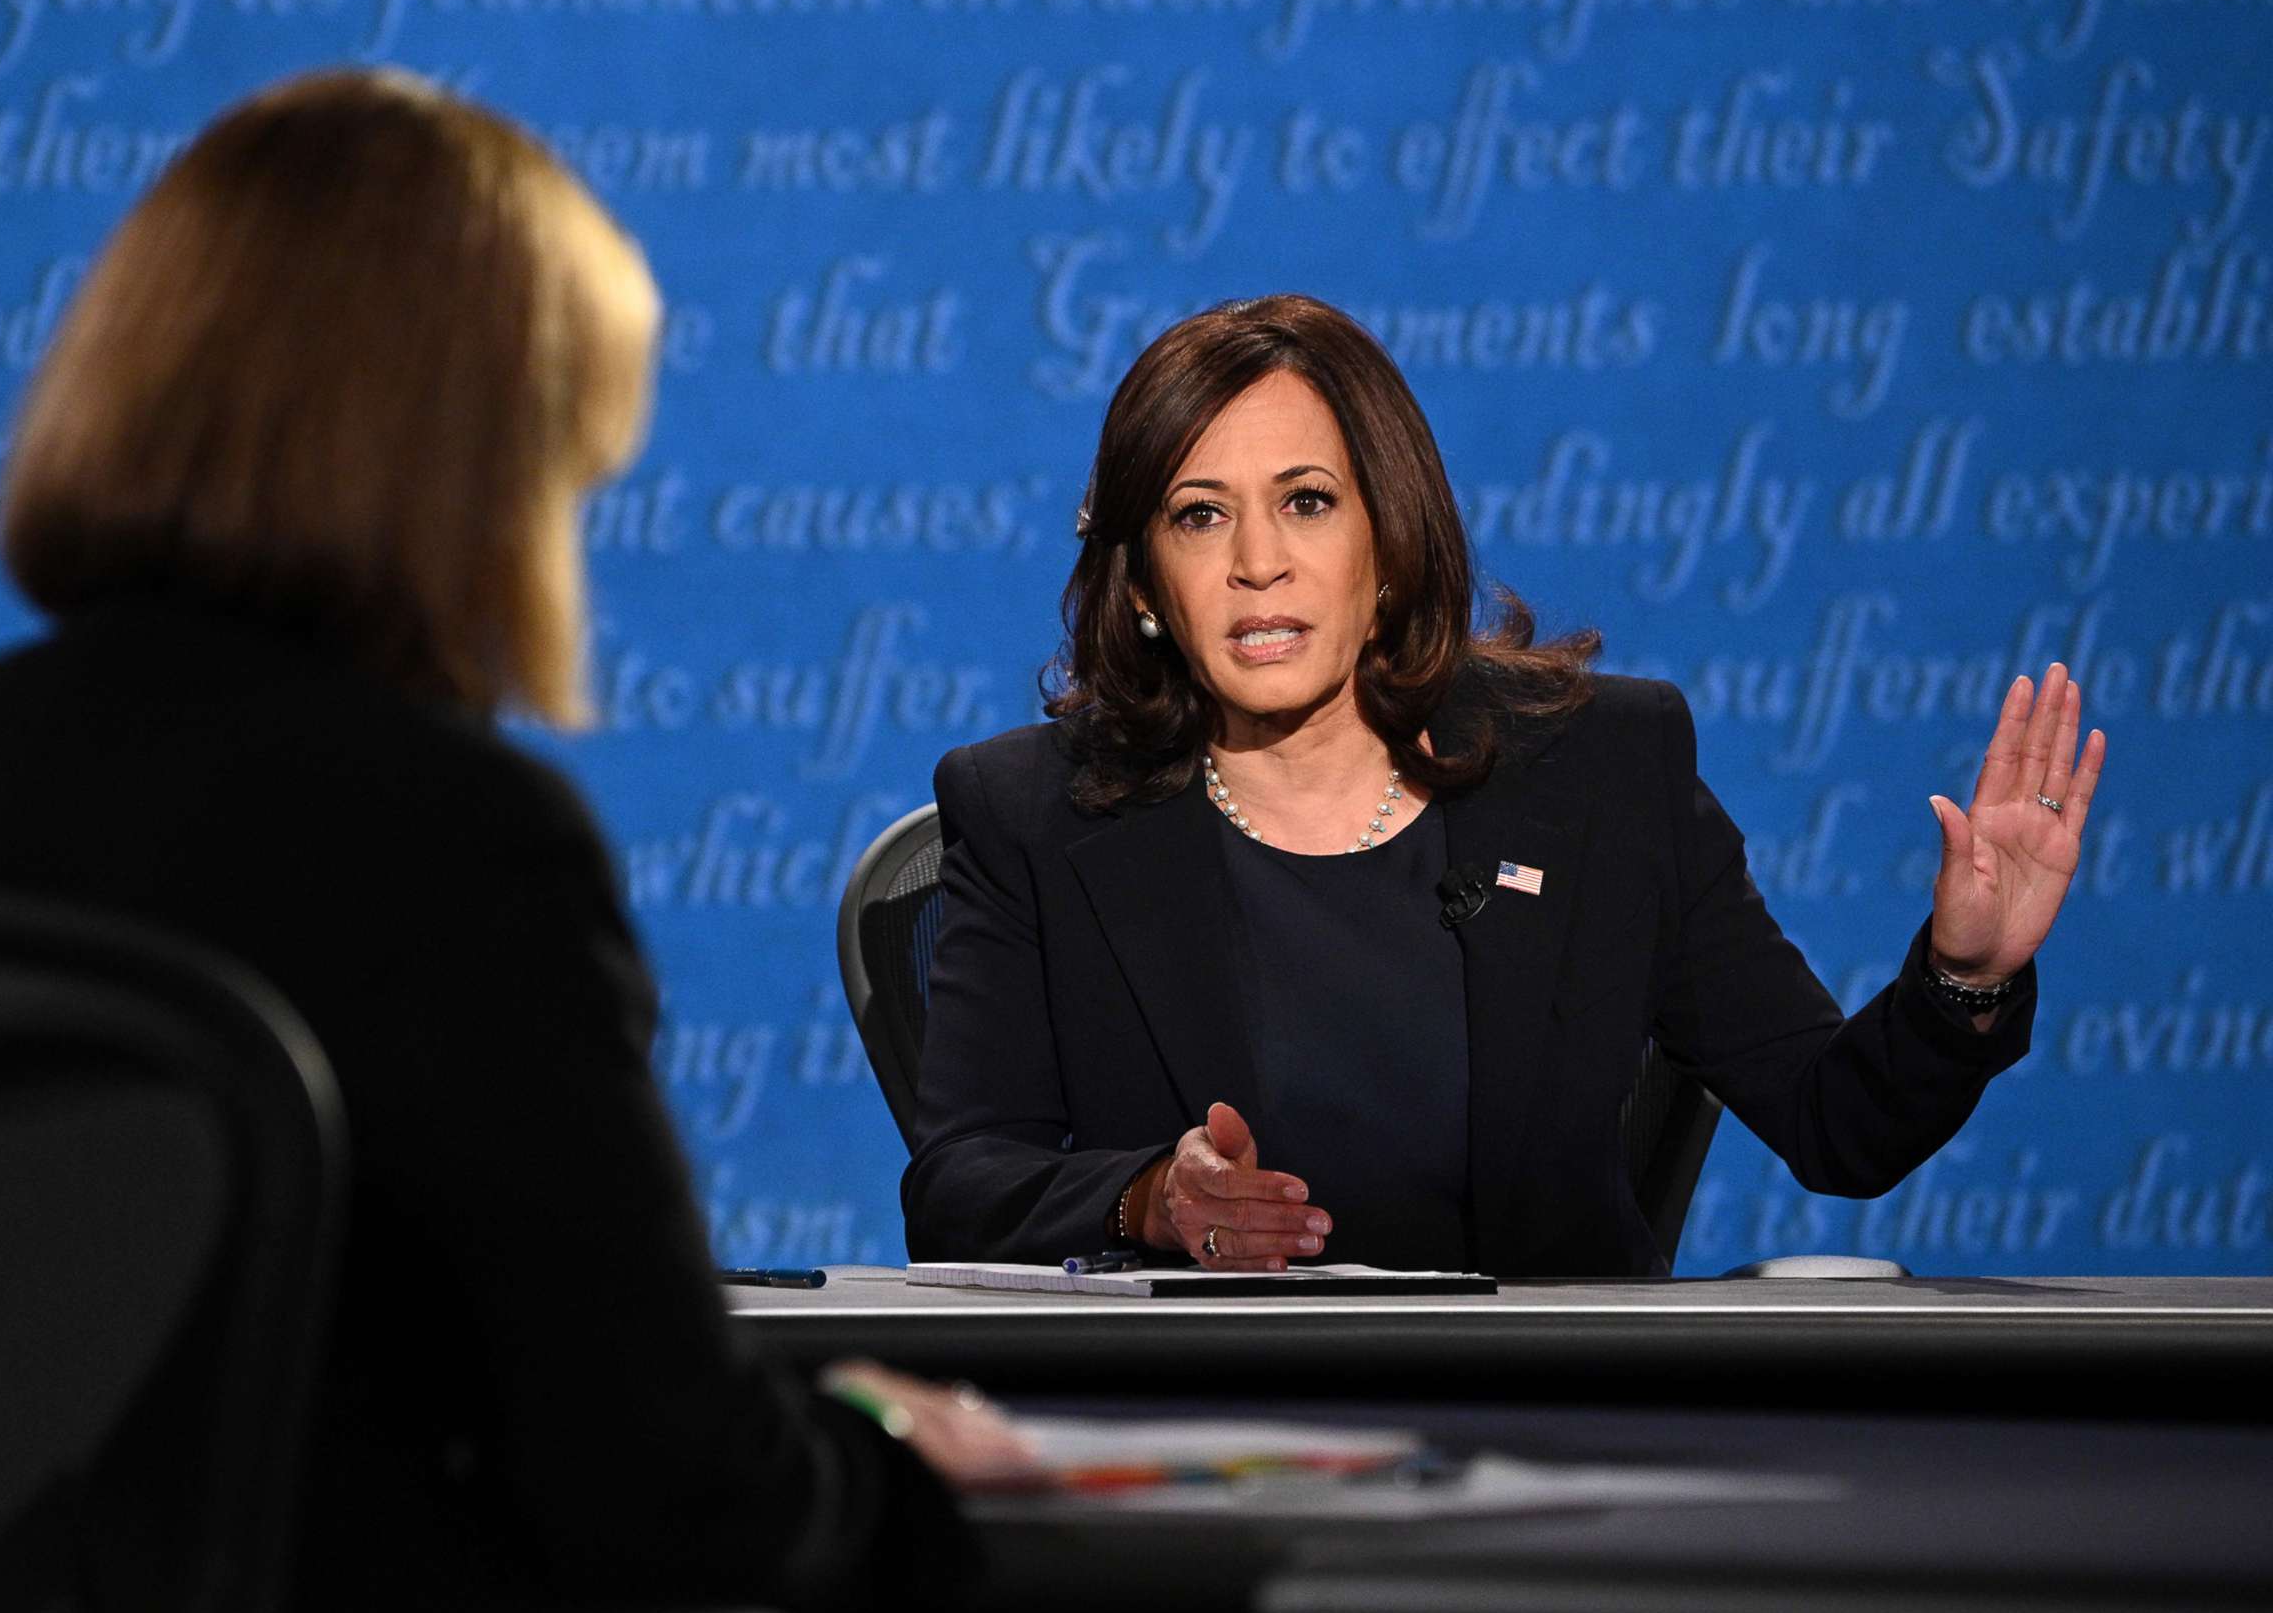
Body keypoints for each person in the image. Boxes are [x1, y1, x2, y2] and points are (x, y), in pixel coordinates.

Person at [0, 70, 1022, 1613]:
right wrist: (895, 1458)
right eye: (565, 469)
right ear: (476, 469)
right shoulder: (454, 836)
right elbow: (661, 1490)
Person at [902, 294, 2106, 1278]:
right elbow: (960, 1188)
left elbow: (1839, 1124)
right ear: (1148, 587)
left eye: (1307, 504)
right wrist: (1150, 1199)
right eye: (1200, 516)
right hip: (1211, 1429)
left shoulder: (1599, 771)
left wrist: (1965, 978)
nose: (1258, 563)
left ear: (1388, 545)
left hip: (1552, 1416)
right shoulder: (1034, 814)